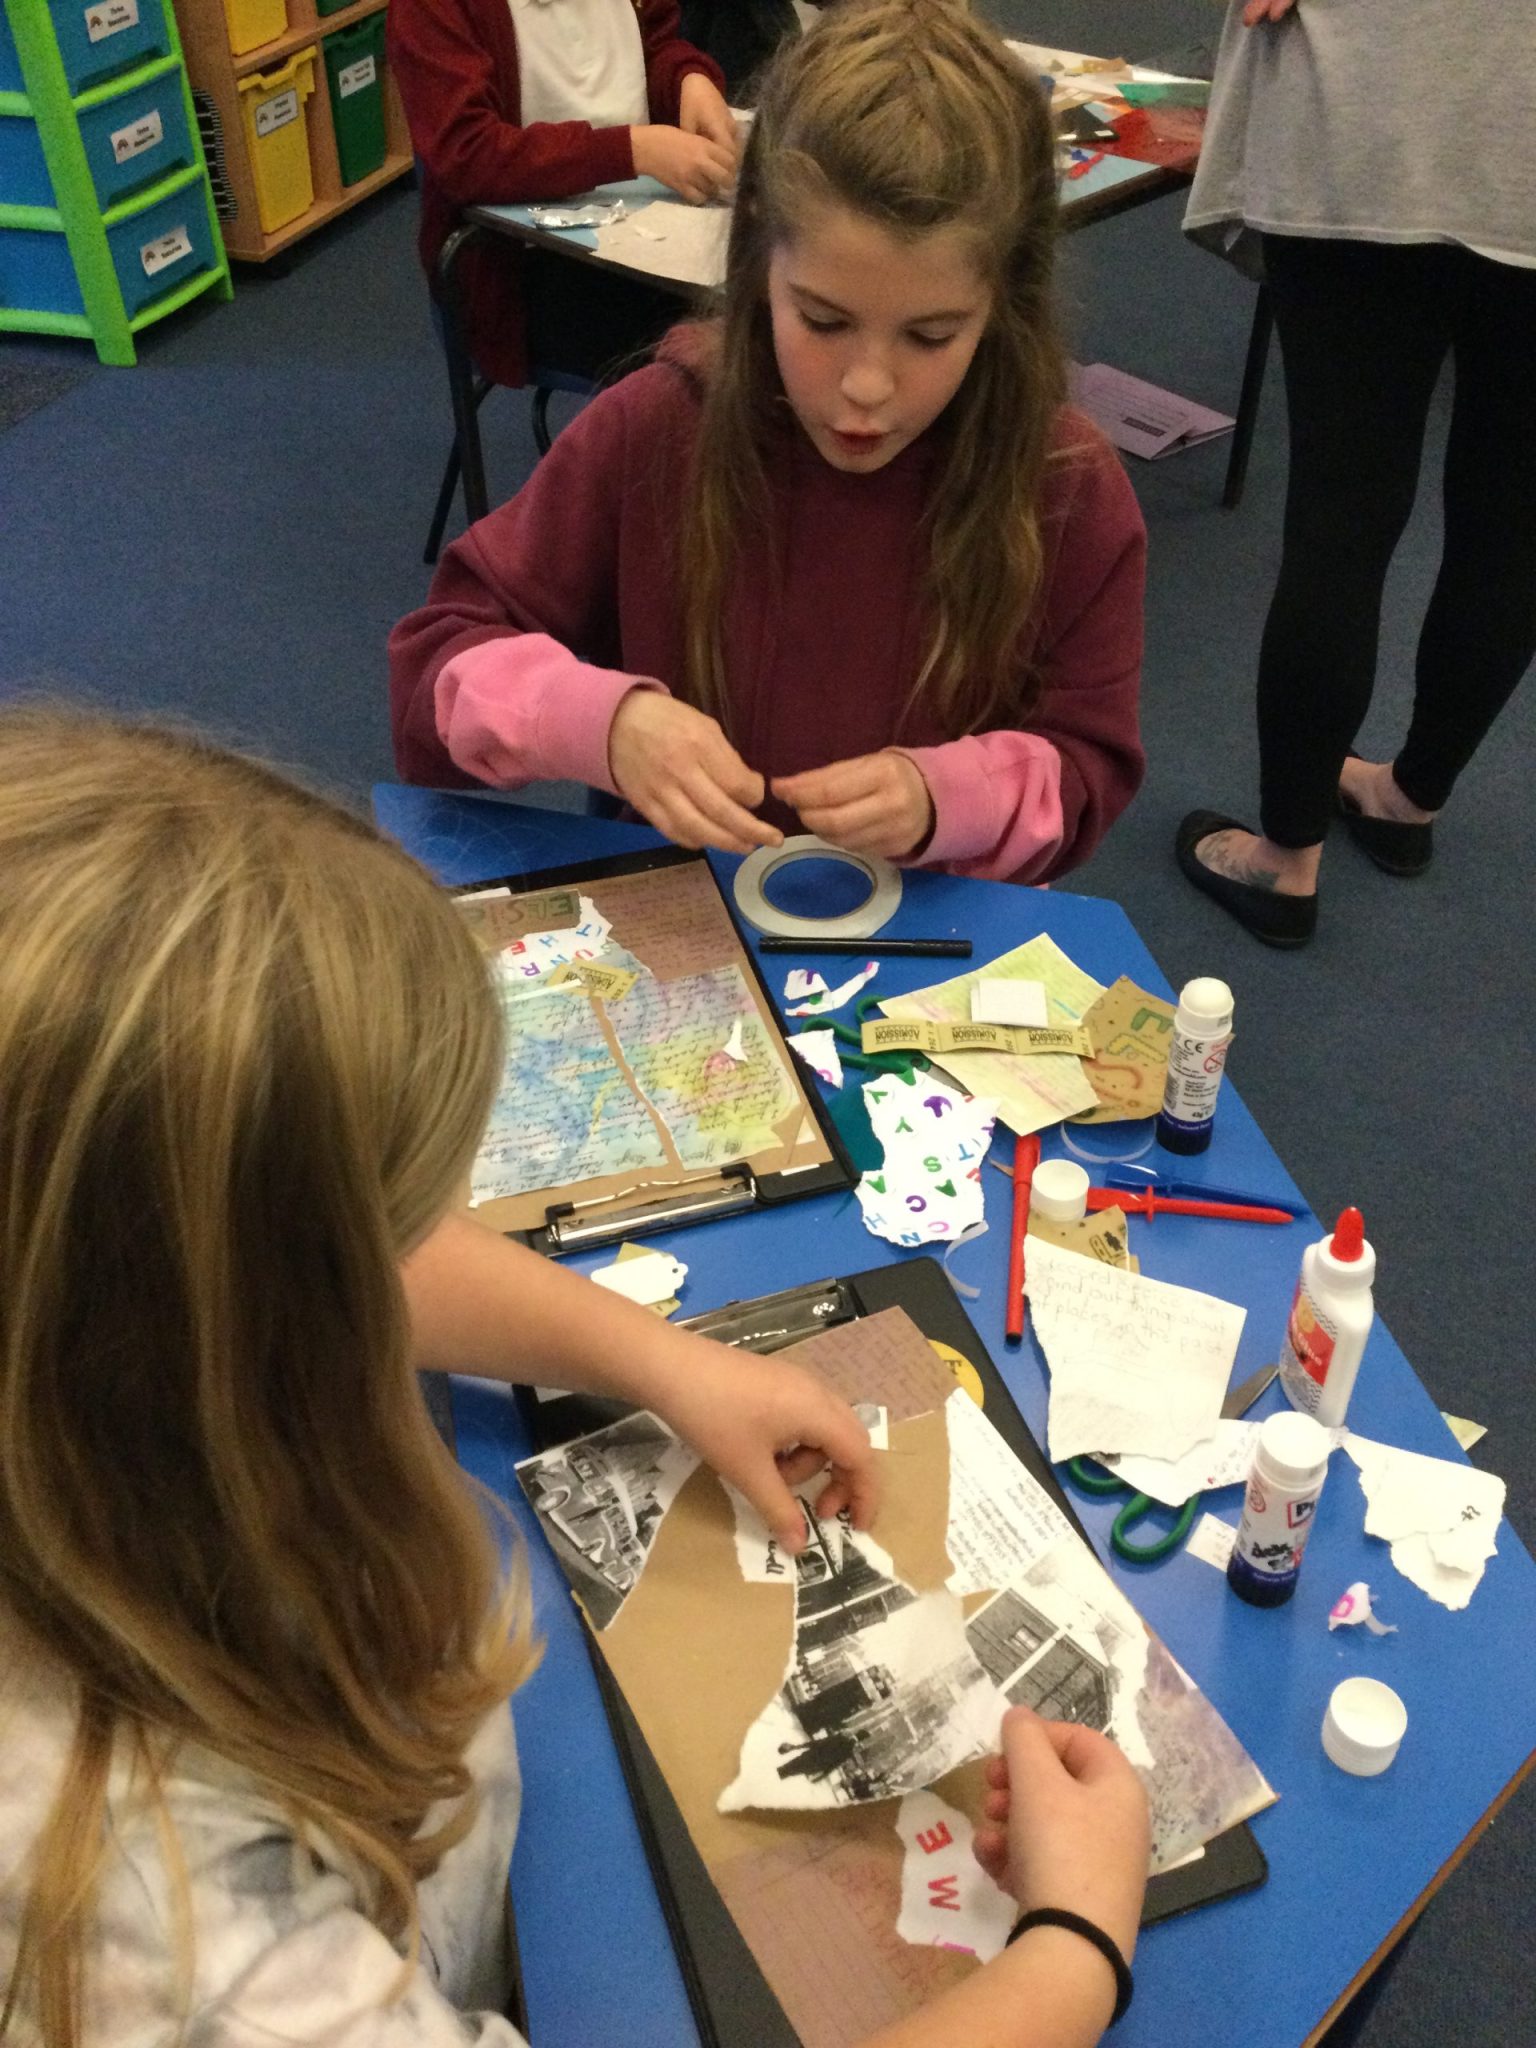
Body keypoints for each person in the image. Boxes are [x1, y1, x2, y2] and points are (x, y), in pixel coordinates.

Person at [0, 705, 1148, 2047]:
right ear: (247, 1345)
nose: (427, 1249)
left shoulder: (85, 1350)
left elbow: (316, 1246)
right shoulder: (180, 1961)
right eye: (396, 1221)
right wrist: (1072, 1952)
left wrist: (660, 1360)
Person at [389, 0, 1146, 888]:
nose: (868, 385)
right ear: (758, 263)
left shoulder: (1064, 486)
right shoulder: (660, 429)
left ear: (1003, 304)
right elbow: (435, 669)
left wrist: (948, 796)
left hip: (935, 950)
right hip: (694, 930)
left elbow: (1090, 767)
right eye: (823, 321)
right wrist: (600, 724)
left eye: (931, 336)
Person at [1175, 0, 1536, 947]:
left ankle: (1285, 862)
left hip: (1385, 95)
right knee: (1515, 520)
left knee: (1344, 510)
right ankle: (1408, 803)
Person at [389, 0, 740, 388]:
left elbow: (654, 46)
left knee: (761, 296)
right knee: (720, 353)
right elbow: (467, 153)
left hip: (644, 218)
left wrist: (687, 79)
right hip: (518, 264)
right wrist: (633, 150)